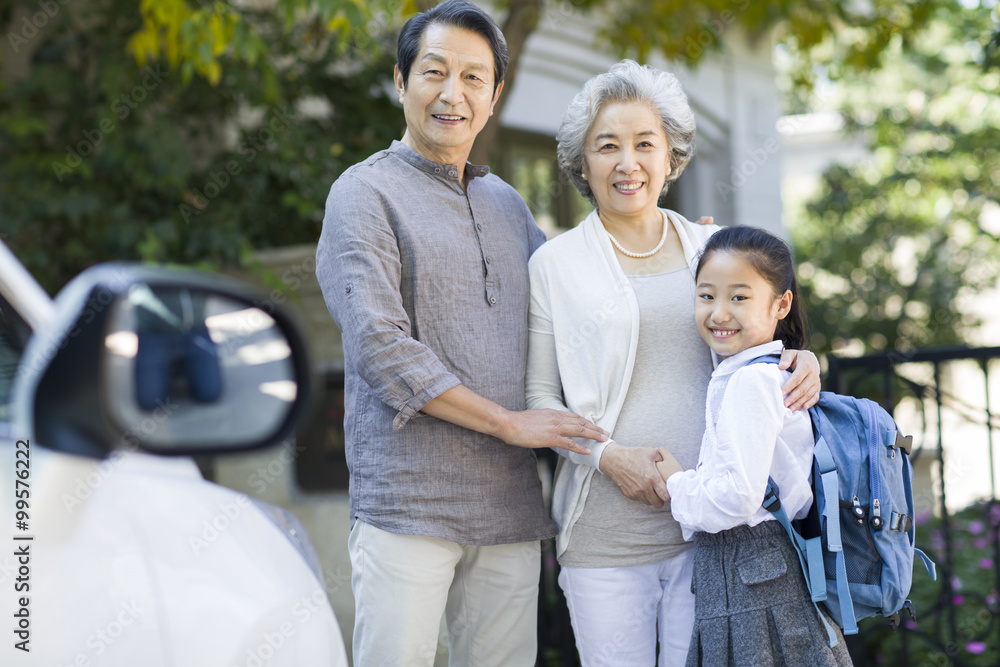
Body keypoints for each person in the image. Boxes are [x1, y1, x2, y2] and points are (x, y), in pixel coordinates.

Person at [315, 1, 606, 665]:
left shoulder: (507, 203)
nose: (453, 93)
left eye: (474, 77)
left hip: (509, 506)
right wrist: (509, 422)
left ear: (495, 92)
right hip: (407, 504)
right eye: (435, 72)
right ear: (401, 80)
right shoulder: (363, 193)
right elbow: (380, 348)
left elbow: (580, 303)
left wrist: (687, 257)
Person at [526, 60, 821, 666]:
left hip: (713, 539)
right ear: (583, 162)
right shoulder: (554, 265)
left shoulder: (709, 247)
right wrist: (610, 458)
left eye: (644, 144)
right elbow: (539, 399)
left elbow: (762, 330)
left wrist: (803, 359)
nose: (626, 162)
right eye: (607, 146)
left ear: (671, 157)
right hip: (603, 537)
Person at [656, 225, 853, 666]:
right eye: (707, 296)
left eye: (739, 297)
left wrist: (677, 485)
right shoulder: (754, 373)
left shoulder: (752, 381)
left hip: (752, 582)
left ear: (781, 304)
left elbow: (739, 497)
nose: (719, 313)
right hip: (762, 578)